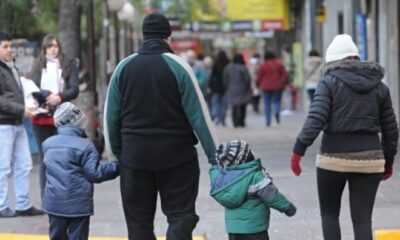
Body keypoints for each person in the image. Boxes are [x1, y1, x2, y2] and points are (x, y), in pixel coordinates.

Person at [103, 12, 218, 240]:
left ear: (144, 37)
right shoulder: (179, 67)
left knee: (138, 224)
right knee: (181, 216)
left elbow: (111, 117)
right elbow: (200, 117)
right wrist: (215, 157)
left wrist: (117, 155)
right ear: (168, 38)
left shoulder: (123, 68)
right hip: (177, 158)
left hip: (135, 158)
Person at [290, 34, 399, 240]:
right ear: (356, 58)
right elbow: (391, 129)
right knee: (363, 219)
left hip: (333, 158)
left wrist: (299, 150)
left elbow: (316, 117)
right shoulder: (380, 86)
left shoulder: (328, 82)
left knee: (330, 214)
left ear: (332, 61)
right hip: (371, 159)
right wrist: (388, 161)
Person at [42, 102, 119, 240]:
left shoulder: (47, 144)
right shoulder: (85, 145)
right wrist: (117, 166)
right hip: (78, 204)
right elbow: (95, 173)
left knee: (56, 236)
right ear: (78, 122)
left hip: (54, 203)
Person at [209, 140, 297, 240]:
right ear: (245, 157)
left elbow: (214, 171)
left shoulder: (223, 179)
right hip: (255, 230)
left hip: (234, 230)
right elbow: (271, 196)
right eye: (249, 151)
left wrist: (215, 164)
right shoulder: (254, 176)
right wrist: (287, 207)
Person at [27, 34, 79, 196]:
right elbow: (31, 88)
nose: (53, 49)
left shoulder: (69, 64)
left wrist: (60, 97)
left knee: (63, 157)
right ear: (44, 49)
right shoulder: (37, 65)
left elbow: (74, 89)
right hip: (41, 117)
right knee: (45, 158)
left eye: (55, 46)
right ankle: (46, 196)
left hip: (62, 116)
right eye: (49, 46)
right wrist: (43, 96)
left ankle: (63, 194)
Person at [0, 32, 44, 217]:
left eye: (10, 46)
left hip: (18, 123)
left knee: (25, 164)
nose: (9, 49)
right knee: (2, 167)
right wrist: (22, 109)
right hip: (3, 124)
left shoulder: (11, 67)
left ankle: (23, 204)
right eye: (5, 46)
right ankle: (1, 206)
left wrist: (28, 105)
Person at [257, 50, 288, 127]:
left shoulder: (263, 65)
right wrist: (283, 82)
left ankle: (268, 121)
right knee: (277, 101)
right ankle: (277, 112)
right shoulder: (279, 63)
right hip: (278, 85)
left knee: (267, 103)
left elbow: (259, 76)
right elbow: (284, 74)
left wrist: (257, 84)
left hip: (266, 86)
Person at [223, 53, 252, 127]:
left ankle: (235, 121)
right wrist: (247, 87)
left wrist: (226, 86)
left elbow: (225, 79)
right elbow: (247, 79)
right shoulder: (243, 67)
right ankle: (241, 121)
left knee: (234, 106)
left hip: (231, 89)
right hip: (242, 89)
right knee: (243, 105)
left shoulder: (228, 67)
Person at [209, 50, 230, 126]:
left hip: (216, 87)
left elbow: (212, 76)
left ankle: (217, 117)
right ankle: (223, 118)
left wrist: (210, 86)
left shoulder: (216, 63)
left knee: (216, 103)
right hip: (225, 86)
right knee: (224, 104)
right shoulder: (228, 63)